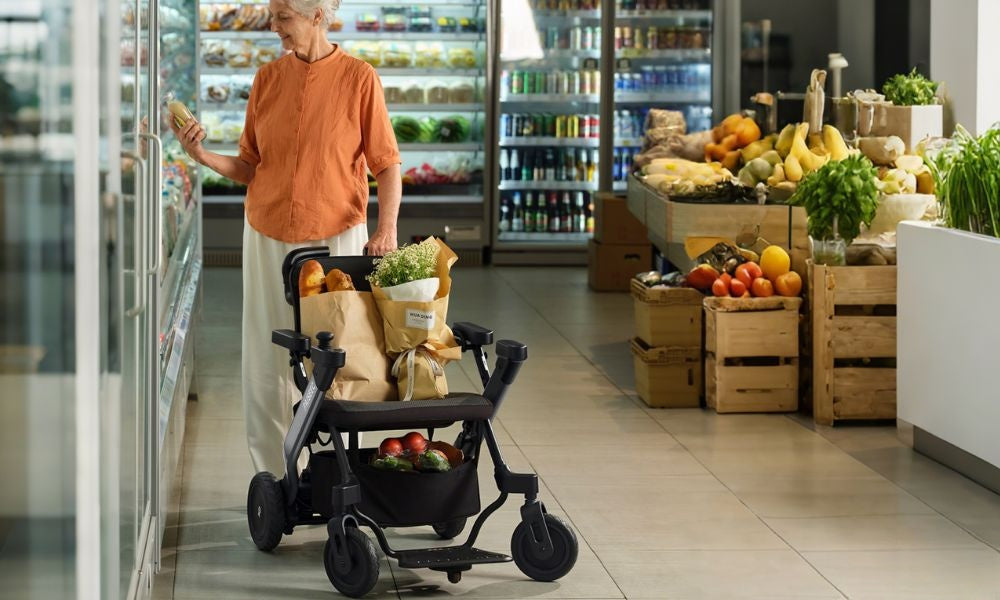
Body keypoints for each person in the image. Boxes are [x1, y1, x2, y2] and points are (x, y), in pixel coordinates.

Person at [171, 0, 401, 477]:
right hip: (267, 232)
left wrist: (387, 229)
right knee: (268, 351)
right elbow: (249, 165)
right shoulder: (266, 79)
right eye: (273, 15)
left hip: (337, 235)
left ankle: (337, 467)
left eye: (283, 17)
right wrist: (200, 154)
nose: (273, 26)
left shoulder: (360, 78)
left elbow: (386, 163)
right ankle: (275, 475)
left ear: (318, 15)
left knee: (337, 352)